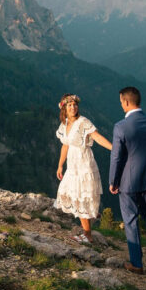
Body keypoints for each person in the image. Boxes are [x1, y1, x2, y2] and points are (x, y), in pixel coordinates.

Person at [109, 86, 146, 274]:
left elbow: (117, 157)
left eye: (121, 102)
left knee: (131, 219)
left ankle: (137, 263)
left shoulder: (121, 126)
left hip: (128, 180)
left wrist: (113, 180)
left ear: (126, 102)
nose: (121, 105)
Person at [54, 93, 113, 244]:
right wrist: (60, 165)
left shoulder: (83, 122)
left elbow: (97, 137)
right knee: (74, 195)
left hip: (84, 163)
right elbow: (65, 145)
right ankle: (88, 227)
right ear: (64, 108)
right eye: (69, 105)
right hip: (72, 166)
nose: (73, 107)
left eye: (75, 104)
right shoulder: (64, 124)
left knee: (82, 197)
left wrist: (114, 148)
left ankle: (88, 235)